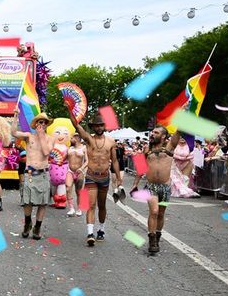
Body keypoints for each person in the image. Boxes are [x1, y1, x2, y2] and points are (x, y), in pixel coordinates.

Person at [70, 109, 124, 246]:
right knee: (91, 204)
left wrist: (118, 179)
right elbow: (76, 125)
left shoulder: (111, 142)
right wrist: (69, 109)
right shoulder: (89, 139)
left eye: (101, 125)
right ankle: (90, 233)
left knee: (102, 205)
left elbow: (115, 161)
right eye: (97, 125)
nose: (99, 127)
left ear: (104, 126)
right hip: (91, 177)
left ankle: (101, 229)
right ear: (93, 127)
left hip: (104, 177)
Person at [129, 125, 180, 254]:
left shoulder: (169, 147)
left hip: (165, 188)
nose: (152, 134)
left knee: (161, 214)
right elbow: (141, 168)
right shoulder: (147, 149)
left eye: (156, 132)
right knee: (154, 211)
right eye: (152, 132)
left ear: (163, 136)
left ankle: (157, 236)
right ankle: (152, 240)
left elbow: (180, 131)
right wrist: (135, 184)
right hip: (151, 187)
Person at [11, 113, 56, 240]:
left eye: (44, 122)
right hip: (30, 173)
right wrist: (15, 117)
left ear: (47, 125)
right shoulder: (28, 136)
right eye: (39, 122)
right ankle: (27, 223)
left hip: (43, 174)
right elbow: (14, 132)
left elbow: (46, 152)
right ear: (35, 124)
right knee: (27, 201)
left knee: (43, 202)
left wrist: (41, 136)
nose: (42, 124)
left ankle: (37, 227)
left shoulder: (50, 138)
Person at [65, 133, 87, 217]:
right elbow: (64, 158)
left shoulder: (84, 148)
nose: (70, 140)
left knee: (79, 192)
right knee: (68, 189)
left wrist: (81, 168)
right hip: (70, 171)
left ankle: (79, 208)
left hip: (79, 172)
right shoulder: (69, 148)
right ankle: (71, 208)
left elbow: (87, 161)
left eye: (72, 138)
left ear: (77, 138)